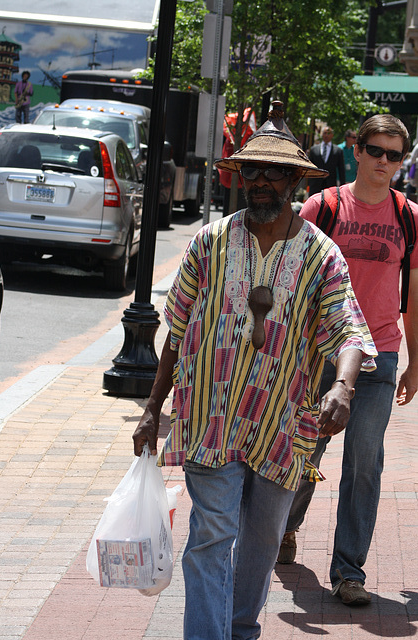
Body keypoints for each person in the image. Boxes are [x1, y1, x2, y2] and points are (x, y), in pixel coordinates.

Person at [132, 101, 377, 640]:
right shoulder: (209, 243)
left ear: (293, 179)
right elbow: (176, 330)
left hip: (284, 422)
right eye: (251, 171)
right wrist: (153, 408)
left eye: (274, 172)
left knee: (264, 539)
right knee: (212, 534)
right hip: (210, 413)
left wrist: (342, 386)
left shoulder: (321, 255)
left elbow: (349, 329)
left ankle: (240, 628)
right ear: (238, 176)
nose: (260, 182)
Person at [278, 113, 418, 607]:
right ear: (357, 149)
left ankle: (348, 571)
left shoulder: (409, 216)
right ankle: (285, 527)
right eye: (376, 150)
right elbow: (292, 276)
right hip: (319, 350)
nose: (384, 162)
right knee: (304, 450)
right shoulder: (325, 205)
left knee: (365, 463)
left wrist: (415, 360)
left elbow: (414, 295)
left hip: (379, 351)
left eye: (394, 155)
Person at [308, 125, 345, 196]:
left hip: (330, 186)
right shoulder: (314, 150)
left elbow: (341, 170)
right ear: (322, 134)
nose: (326, 135)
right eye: (324, 133)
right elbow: (310, 167)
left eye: (328, 133)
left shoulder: (338, 151)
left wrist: (341, 188)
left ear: (332, 135)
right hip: (315, 186)